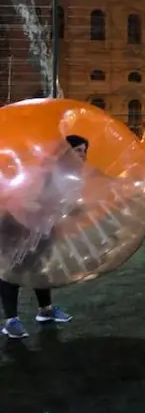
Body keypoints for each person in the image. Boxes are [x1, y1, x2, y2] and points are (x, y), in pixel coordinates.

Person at [0, 135, 86, 339]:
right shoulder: (46, 173)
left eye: (84, 151)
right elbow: (26, 198)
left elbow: (62, 203)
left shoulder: (72, 175)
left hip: (42, 227)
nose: (82, 155)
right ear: (66, 152)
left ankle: (45, 311)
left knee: (40, 268)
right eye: (78, 150)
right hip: (17, 225)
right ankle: (11, 321)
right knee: (12, 270)